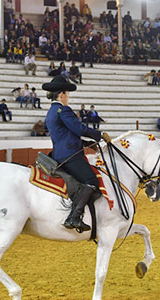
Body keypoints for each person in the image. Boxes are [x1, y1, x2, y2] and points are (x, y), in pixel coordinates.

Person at [43, 76, 111, 232]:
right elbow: (79, 128)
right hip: (70, 155)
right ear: (61, 94)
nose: (68, 97)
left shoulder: (52, 111)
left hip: (60, 154)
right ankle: (74, 217)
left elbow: (66, 134)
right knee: (91, 181)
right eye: (67, 93)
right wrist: (99, 135)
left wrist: (86, 144)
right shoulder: (63, 110)